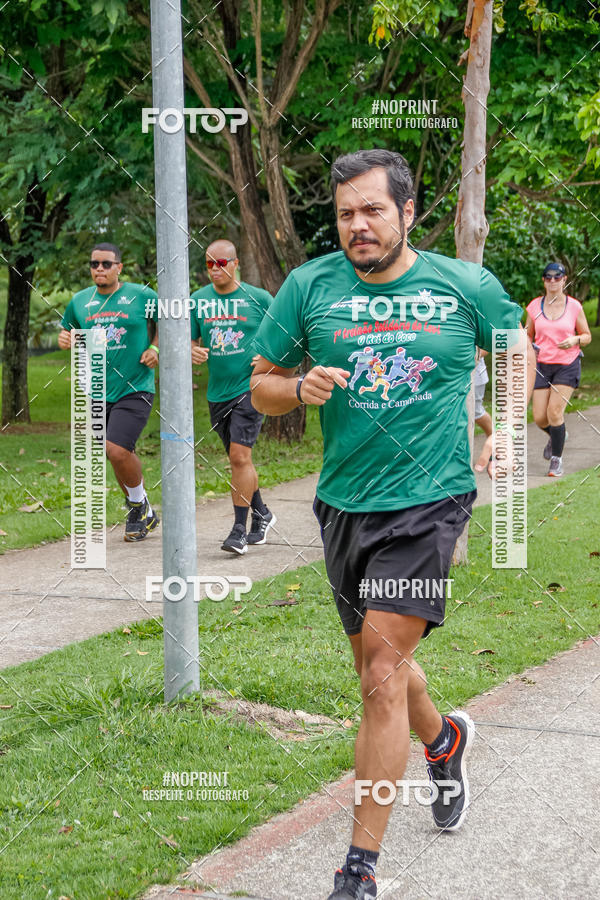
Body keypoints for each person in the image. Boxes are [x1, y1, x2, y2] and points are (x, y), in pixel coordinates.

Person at [250, 149, 533, 900]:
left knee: (379, 676)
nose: (358, 226)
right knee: (381, 669)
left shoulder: (463, 285)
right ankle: (443, 741)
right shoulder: (310, 286)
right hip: (344, 501)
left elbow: (512, 348)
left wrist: (504, 423)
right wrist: (296, 387)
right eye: (346, 213)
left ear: (408, 212)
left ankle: (359, 870)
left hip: (431, 499)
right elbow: (261, 385)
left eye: (373, 210)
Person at [58, 243, 160, 542]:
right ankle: (141, 510)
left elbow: (166, 324)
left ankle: (137, 505)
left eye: (105, 264)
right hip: (98, 389)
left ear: (119, 267)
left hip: (135, 385)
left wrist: (155, 347)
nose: (99, 269)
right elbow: (70, 333)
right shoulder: (79, 302)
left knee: (115, 449)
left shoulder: (142, 296)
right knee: (116, 453)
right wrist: (66, 339)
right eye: (94, 264)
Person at [190, 239, 276, 555]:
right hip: (217, 392)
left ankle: (239, 530)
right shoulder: (197, 300)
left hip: (250, 388)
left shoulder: (259, 298)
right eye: (209, 264)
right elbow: (188, 340)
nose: (215, 269)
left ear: (235, 263)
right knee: (239, 460)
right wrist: (191, 350)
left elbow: (285, 334)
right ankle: (262, 513)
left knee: (240, 457)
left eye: (221, 263)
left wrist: (271, 360)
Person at [525, 261, 592, 476]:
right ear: (544, 281)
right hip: (542, 364)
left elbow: (587, 336)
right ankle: (558, 434)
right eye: (548, 277)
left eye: (557, 277)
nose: (553, 281)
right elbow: (528, 335)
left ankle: (556, 460)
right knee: (539, 418)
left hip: (567, 365)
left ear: (564, 280)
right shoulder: (535, 306)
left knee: (554, 412)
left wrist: (574, 340)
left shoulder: (574, 306)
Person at [474, 348, 492, 438]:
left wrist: (464, 357)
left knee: (476, 412)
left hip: (475, 375)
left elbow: (486, 348)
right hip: (451, 374)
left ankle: (497, 444)